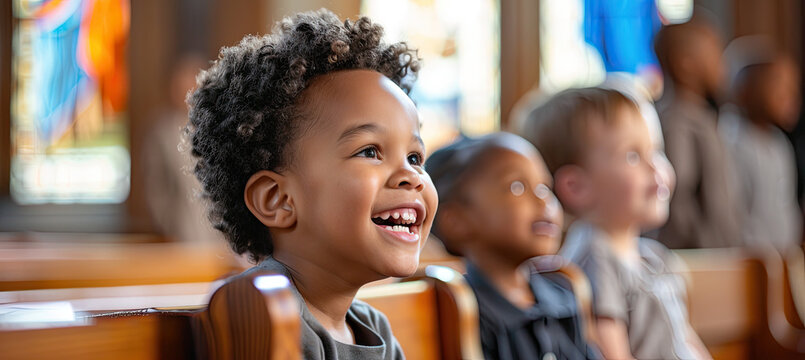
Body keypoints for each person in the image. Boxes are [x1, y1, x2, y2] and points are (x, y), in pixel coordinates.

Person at [184, 9, 438, 359]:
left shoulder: (369, 326)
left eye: (414, 158)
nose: (411, 176)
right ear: (278, 200)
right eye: (369, 151)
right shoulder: (262, 310)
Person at [520, 87, 710, 359]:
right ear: (577, 187)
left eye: (656, 151)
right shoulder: (595, 257)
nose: (655, 167)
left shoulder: (654, 258)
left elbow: (685, 341)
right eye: (632, 155)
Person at [426, 132, 597, 360]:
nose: (542, 199)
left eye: (545, 186)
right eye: (517, 187)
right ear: (457, 221)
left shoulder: (563, 296)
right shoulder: (463, 311)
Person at [653, 18, 743, 249]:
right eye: (715, 55)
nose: (723, 66)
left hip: (720, 255)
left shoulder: (702, 116)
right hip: (696, 257)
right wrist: (697, 246)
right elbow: (678, 191)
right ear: (686, 64)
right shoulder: (678, 121)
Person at [720, 37, 802, 252]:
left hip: (783, 256)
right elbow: (732, 213)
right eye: (778, 84)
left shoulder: (779, 143)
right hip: (750, 262)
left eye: (793, 86)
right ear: (744, 89)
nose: (790, 95)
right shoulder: (732, 140)